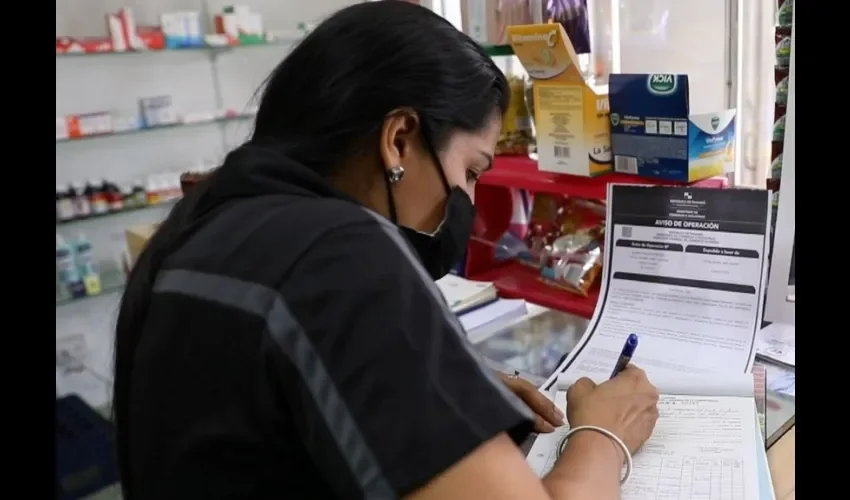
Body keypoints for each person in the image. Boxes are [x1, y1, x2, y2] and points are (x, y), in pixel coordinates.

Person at [113, 2, 659, 499]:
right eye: (471, 171)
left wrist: (422, 382)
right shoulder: (335, 253)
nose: (468, 201)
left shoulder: (204, 227)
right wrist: (603, 435)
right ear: (399, 139)